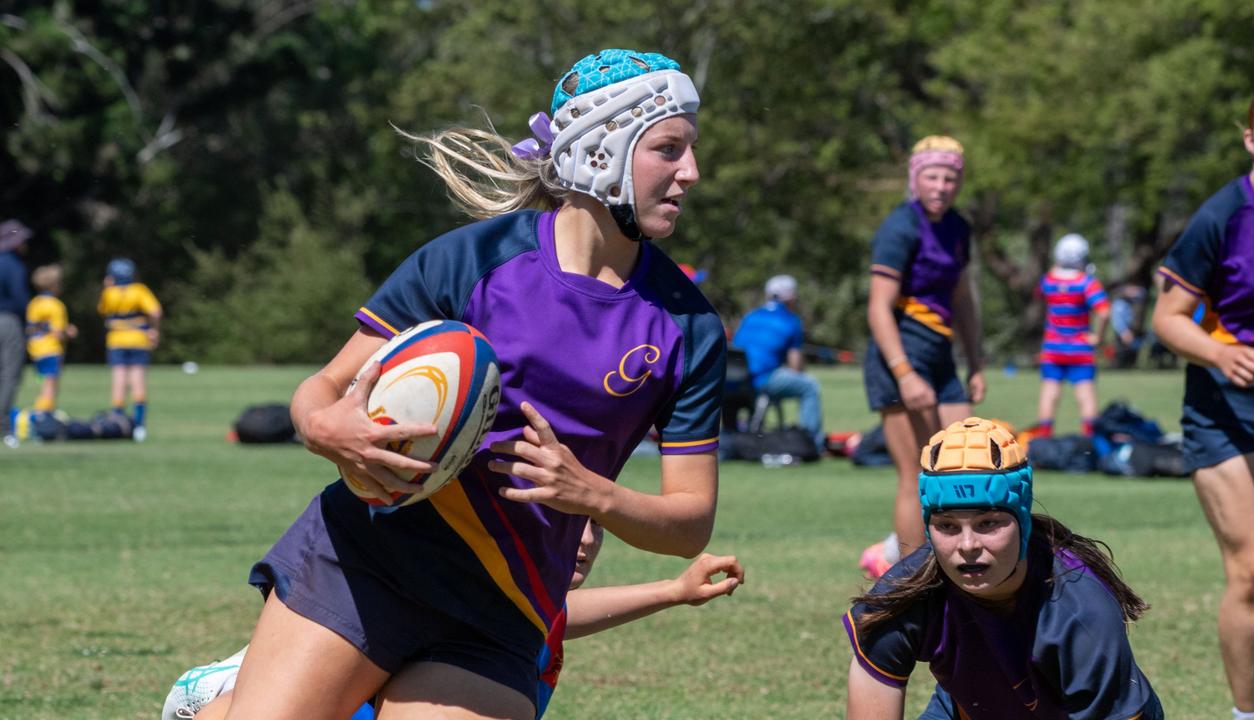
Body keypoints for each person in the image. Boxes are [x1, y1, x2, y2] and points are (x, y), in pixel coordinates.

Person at [210, 49, 724, 720]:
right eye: (668, 149)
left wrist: (589, 493)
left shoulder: (688, 326)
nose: (690, 172)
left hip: (501, 605)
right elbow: (325, 388)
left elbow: (689, 524)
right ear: (603, 149)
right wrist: (323, 427)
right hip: (368, 559)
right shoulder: (473, 261)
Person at [163, 522, 745, 719]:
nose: (586, 541)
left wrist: (672, 591)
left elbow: (560, 618)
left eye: (594, 525)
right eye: (572, 523)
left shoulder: (532, 607)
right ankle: (220, 694)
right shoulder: (484, 591)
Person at [843, 417, 1164, 719]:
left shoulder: (1081, 613)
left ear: (1022, 521)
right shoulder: (903, 596)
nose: (967, 545)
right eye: (947, 526)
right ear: (928, 530)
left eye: (988, 523)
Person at [1151, 78, 1254, 720]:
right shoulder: (1222, 216)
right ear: (1252, 138)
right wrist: (1221, 353)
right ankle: (1248, 717)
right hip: (1229, 414)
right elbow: (1168, 316)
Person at [860, 136, 985, 578]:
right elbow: (878, 308)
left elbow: (963, 299)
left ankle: (901, 552)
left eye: (950, 177)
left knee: (964, 461)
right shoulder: (901, 227)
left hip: (940, 358)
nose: (941, 185)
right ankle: (911, 577)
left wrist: (977, 363)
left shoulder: (958, 228)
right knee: (917, 473)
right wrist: (905, 374)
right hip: (900, 357)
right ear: (916, 179)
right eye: (932, 176)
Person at [731, 274, 825, 449]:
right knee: (810, 386)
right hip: (762, 380)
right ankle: (812, 443)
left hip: (735, 380)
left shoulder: (750, 316)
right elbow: (795, 367)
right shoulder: (791, 320)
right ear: (791, 298)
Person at [1033, 234, 1110, 437]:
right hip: (1080, 348)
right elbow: (1104, 312)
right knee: (1085, 395)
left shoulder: (1048, 281)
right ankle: (1090, 439)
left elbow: (1039, 294)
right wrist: (1098, 338)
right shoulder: (1087, 283)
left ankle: (1044, 439)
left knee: (1049, 393)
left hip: (1052, 347)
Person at [98, 257, 162, 441]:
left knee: (118, 381)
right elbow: (155, 311)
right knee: (138, 381)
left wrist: (107, 287)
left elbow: (103, 311)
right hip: (138, 339)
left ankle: (117, 422)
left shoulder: (108, 293)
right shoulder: (139, 290)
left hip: (116, 339)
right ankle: (139, 426)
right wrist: (154, 331)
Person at [26, 264, 78, 420]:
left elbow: (35, 328)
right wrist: (69, 333)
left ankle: (42, 413)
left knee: (44, 385)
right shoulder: (56, 306)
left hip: (36, 350)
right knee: (51, 385)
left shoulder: (34, 303)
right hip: (51, 350)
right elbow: (57, 333)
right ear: (54, 285)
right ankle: (42, 417)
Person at [0, 219, 31, 448]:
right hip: (7, 321)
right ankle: (4, 428)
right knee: (9, 375)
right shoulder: (13, 265)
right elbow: (21, 300)